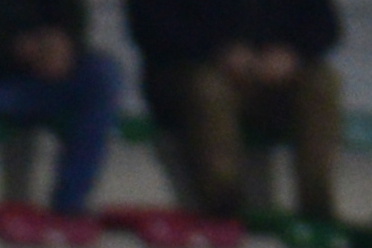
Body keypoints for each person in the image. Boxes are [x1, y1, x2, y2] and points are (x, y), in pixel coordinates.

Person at [132, 0, 337, 222]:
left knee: (321, 83)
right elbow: (153, 26)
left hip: (270, 79)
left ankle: (317, 205)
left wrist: (291, 53)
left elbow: (325, 24)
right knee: (209, 91)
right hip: (188, 70)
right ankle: (223, 202)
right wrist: (215, 52)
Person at [0, 0, 124, 218]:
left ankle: (70, 205)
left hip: (36, 79)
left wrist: (62, 45)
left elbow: (70, 17)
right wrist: (14, 47)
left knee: (103, 73)